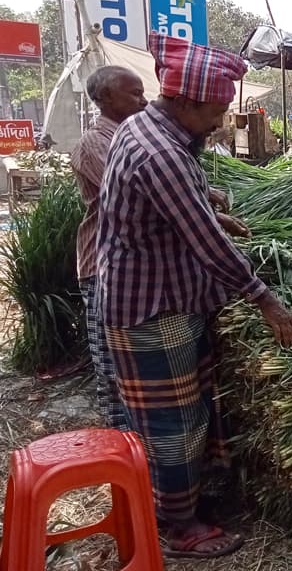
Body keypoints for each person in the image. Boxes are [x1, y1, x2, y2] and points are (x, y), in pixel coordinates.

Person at [97, 32, 292, 559]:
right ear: (185, 102)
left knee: (185, 413)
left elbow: (179, 207)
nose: (219, 122)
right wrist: (266, 299)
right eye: (214, 111)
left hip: (162, 297)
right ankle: (178, 527)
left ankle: (181, 504)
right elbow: (208, 245)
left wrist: (207, 204)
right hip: (151, 310)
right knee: (173, 423)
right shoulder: (159, 151)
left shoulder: (147, 125)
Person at [70, 66, 147, 433]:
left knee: (135, 360)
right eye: (133, 94)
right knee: (113, 362)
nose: (143, 101)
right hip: (102, 264)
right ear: (105, 99)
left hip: (128, 262)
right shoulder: (95, 144)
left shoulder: (135, 138)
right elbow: (131, 193)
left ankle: (141, 450)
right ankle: (122, 448)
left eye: (142, 92)